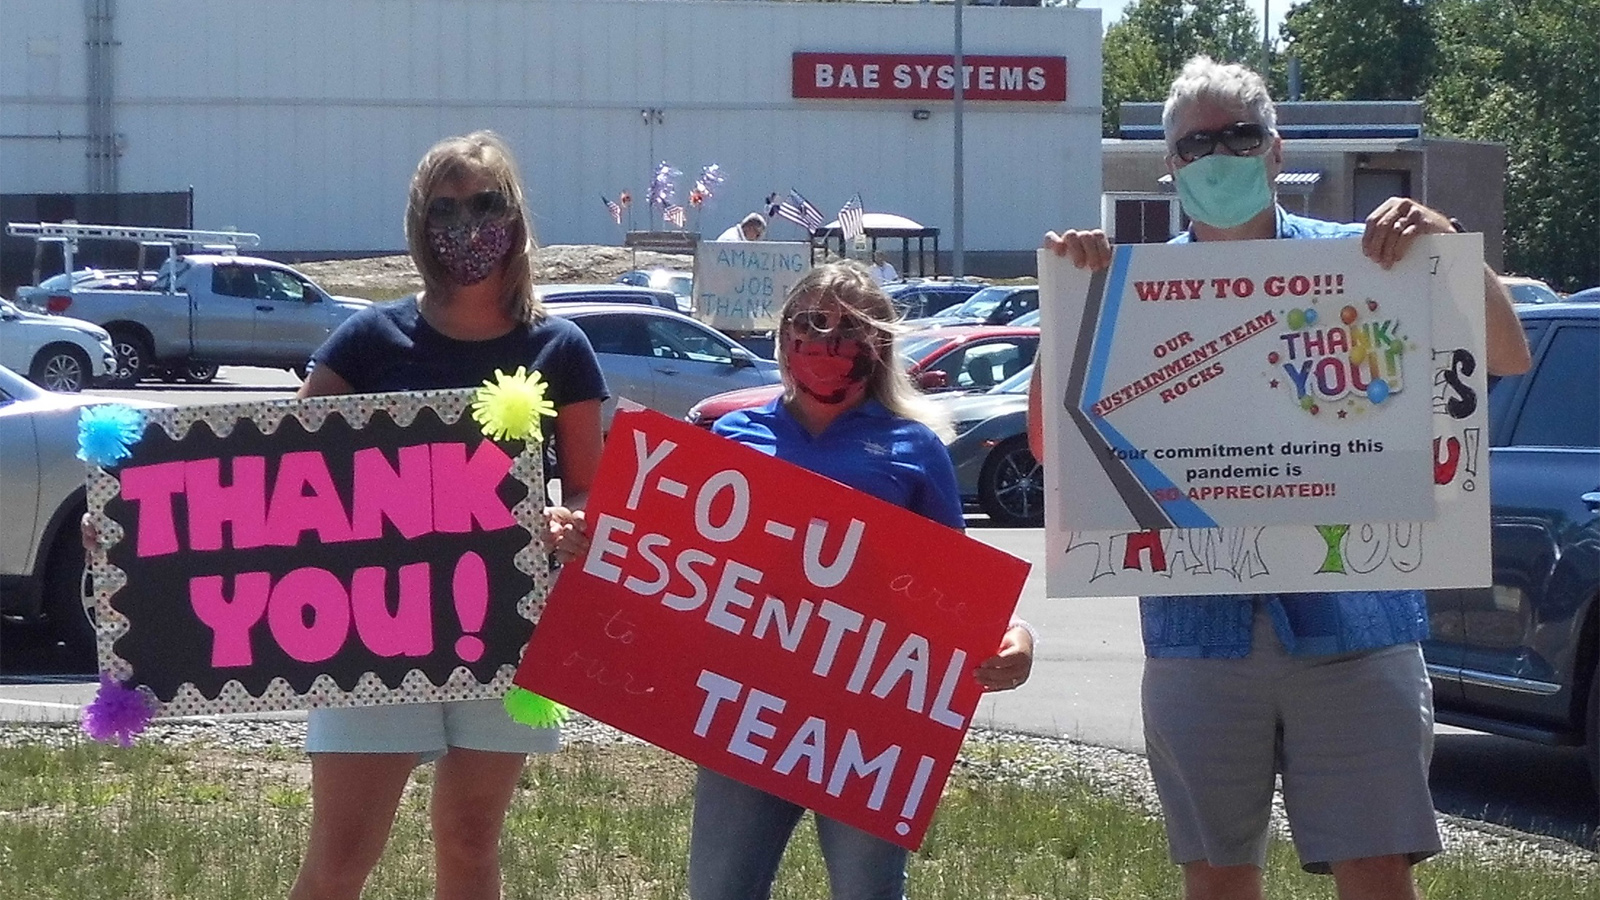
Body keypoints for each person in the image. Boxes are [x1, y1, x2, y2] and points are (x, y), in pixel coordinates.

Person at [1029, 57, 1530, 900]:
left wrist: (1443, 240)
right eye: (1199, 143)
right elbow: (1053, 446)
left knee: (1376, 872)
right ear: (1172, 163)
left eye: (1240, 136)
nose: (1220, 154)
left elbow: (1507, 355)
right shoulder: (1126, 288)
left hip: (1358, 629)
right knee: (1219, 879)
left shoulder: (1374, 260)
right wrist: (1065, 307)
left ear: (1275, 148)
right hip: (1199, 637)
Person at [547, 261, 1037, 899]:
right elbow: (667, 559)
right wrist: (593, 539)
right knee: (720, 890)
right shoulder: (733, 434)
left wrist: (1015, 636)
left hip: (868, 726)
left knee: (868, 892)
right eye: (814, 324)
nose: (830, 343)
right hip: (742, 707)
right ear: (783, 338)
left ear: (880, 346)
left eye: (852, 330)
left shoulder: (915, 447)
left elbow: (958, 589)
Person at [288, 131, 608, 900]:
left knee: (470, 843)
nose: (467, 225)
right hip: (369, 630)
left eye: (485, 204)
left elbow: (590, 491)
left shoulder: (561, 348)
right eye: (446, 209)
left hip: (507, 633)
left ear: (517, 218)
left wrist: (575, 525)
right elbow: (271, 476)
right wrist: (132, 522)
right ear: (418, 226)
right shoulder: (366, 341)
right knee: (340, 859)